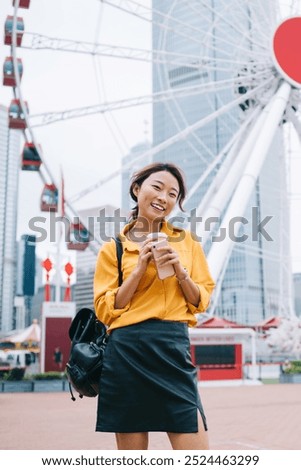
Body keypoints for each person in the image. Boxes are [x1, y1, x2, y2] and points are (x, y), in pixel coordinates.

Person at [94, 162, 215, 450]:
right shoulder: (113, 248)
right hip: (126, 351)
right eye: (157, 187)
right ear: (137, 190)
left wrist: (181, 273)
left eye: (173, 194)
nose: (164, 197)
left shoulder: (187, 243)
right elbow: (105, 309)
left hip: (172, 346)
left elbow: (201, 300)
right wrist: (138, 271)